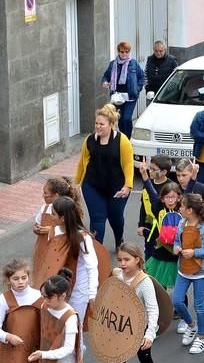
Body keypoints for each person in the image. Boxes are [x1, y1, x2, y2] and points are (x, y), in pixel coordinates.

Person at [74, 104, 133, 248]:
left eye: (102, 124)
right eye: (96, 123)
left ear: (111, 125)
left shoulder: (122, 140)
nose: (98, 127)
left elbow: (128, 164)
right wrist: (76, 183)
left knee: (115, 217)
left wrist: (127, 186)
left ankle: (119, 240)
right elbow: (83, 162)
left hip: (117, 187)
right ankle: (97, 250)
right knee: (97, 218)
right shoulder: (89, 140)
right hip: (93, 185)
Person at [173, 194, 204, 354]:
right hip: (183, 269)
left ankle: (201, 337)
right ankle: (191, 325)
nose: (179, 208)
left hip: (201, 272)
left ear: (190, 210)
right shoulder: (181, 223)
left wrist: (194, 252)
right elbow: (177, 241)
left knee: (199, 306)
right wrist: (176, 248)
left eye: (182, 206)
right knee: (177, 301)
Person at [50, 196, 100, 327]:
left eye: (53, 214)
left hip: (78, 291)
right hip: (59, 289)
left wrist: (92, 295)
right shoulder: (55, 231)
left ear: (63, 218)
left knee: (75, 328)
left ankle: (77, 348)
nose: (51, 216)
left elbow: (92, 267)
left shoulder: (83, 238)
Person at [111, 243, 159, 363]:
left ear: (137, 259)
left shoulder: (145, 282)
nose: (123, 264)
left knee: (145, 359)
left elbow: (153, 309)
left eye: (127, 259)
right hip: (121, 327)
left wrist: (149, 334)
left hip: (139, 329)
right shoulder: (119, 275)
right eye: (120, 260)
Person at [0, 259, 43, 363]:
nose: (21, 282)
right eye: (16, 279)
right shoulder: (4, 299)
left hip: (35, 349)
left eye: (24, 278)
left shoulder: (39, 296)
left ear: (28, 277)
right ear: (8, 280)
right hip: (12, 351)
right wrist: (8, 337)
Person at [28, 268, 81, 363]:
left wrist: (43, 354)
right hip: (45, 361)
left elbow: (68, 348)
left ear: (63, 296)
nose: (45, 301)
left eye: (49, 297)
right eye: (43, 296)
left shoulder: (70, 317)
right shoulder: (45, 306)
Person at [101, 41, 144, 138]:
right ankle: (123, 138)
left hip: (130, 96)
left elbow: (142, 77)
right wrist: (105, 82)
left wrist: (137, 88)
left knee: (126, 118)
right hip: (116, 96)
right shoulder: (113, 64)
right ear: (118, 52)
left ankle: (128, 139)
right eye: (122, 52)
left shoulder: (134, 63)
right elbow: (106, 76)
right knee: (119, 119)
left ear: (129, 52)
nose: (124, 54)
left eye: (126, 51)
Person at [138, 155, 173, 261]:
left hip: (163, 229)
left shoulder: (170, 187)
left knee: (161, 258)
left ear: (164, 172)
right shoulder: (147, 185)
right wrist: (141, 225)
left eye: (154, 169)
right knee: (148, 256)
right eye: (150, 168)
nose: (150, 171)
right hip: (149, 227)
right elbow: (144, 206)